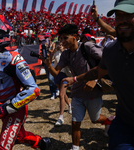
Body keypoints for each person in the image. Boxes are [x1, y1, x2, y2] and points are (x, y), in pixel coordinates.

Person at [0, 11, 51, 150]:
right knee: (19, 136)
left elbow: (33, 89)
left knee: (2, 147)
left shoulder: (13, 58)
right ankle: (42, 143)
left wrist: (7, 107)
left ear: (0, 34)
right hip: (1, 108)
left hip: (16, 109)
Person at [62, 0, 134, 149]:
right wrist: (75, 79)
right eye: (118, 15)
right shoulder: (111, 50)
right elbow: (97, 71)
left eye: (129, 14)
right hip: (124, 123)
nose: (123, 20)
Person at [41, 24, 112, 150]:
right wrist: (48, 64)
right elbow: (56, 73)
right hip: (77, 93)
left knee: (95, 119)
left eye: (65, 38)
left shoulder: (87, 46)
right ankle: (75, 148)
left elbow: (107, 61)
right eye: (60, 38)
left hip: (93, 93)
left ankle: (109, 121)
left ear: (74, 36)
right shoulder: (66, 54)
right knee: (75, 123)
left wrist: (95, 79)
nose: (62, 41)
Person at [52, 41, 72, 126]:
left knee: (61, 94)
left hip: (65, 74)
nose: (60, 45)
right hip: (57, 74)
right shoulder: (56, 52)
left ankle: (61, 117)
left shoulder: (67, 52)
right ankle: (70, 105)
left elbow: (69, 62)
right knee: (62, 93)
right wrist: (54, 51)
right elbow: (51, 60)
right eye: (59, 44)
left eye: (61, 44)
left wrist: (62, 51)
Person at [43, 33, 59, 100]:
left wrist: (47, 49)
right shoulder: (43, 44)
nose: (46, 39)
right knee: (49, 80)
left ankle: (57, 89)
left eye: (47, 37)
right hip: (46, 62)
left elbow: (53, 52)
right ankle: (53, 93)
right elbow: (43, 53)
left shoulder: (53, 44)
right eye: (45, 37)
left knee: (51, 78)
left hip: (51, 62)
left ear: (50, 38)